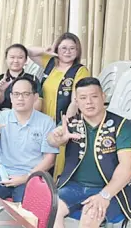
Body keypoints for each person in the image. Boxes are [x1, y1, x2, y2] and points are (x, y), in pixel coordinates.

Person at [47, 78, 131, 228]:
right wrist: (56, 137)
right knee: (51, 211)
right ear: (76, 102)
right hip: (74, 187)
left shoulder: (124, 127)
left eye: (94, 96)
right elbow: (52, 140)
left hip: (112, 190)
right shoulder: (71, 124)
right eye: (83, 98)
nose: (89, 102)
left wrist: (105, 195)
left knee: (91, 215)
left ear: (103, 97)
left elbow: (129, 165)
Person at [0, 77, 58, 202]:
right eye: (16, 94)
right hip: (3, 175)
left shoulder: (47, 122)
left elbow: (50, 159)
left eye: (26, 94)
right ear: (11, 97)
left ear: (35, 97)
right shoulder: (1, 116)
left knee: (25, 212)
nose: (20, 98)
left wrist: (26, 177)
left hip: (32, 176)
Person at [28, 32, 91, 179]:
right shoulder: (50, 63)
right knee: (40, 156)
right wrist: (46, 50)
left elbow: (75, 101)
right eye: (63, 48)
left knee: (56, 158)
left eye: (72, 48)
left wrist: (64, 124)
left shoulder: (80, 71)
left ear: (78, 51)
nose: (67, 52)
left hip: (61, 119)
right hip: (42, 119)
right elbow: (27, 51)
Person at [0, 44, 42, 111]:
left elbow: (38, 102)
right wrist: (1, 90)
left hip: (25, 117)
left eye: (20, 57)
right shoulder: (0, 78)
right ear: (6, 59)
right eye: (12, 57)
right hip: (2, 117)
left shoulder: (33, 79)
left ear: (25, 60)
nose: (16, 61)